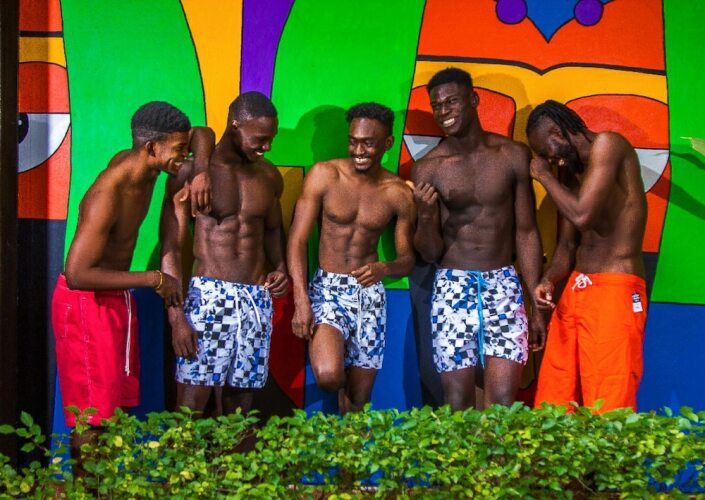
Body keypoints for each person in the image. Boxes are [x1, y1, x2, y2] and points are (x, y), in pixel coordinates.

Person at [51, 101, 191, 462]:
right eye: (180, 149)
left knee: (113, 407)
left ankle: (106, 485)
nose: (185, 157)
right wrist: (153, 278)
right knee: (91, 414)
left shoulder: (146, 167)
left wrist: (200, 171)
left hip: (115, 298)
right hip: (85, 303)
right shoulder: (108, 192)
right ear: (152, 148)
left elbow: (204, 135)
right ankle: (85, 488)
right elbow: (77, 273)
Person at [410, 67, 545, 411]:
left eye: (451, 102)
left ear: (473, 99)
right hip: (453, 285)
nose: (444, 111)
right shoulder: (429, 167)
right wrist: (425, 215)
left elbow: (527, 231)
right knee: (458, 402)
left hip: (503, 283)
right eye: (437, 105)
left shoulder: (512, 155)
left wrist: (535, 304)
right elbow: (430, 251)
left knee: (502, 403)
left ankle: (496, 452)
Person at [160, 91, 288, 416]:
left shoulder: (269, 176)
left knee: (241, 405)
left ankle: (233, 453)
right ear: (235, 125)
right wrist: (177, 318)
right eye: (260, 139)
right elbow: (171, 247)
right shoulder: (191, 173)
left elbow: (273, 230)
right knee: (191, 404)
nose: (267, 147)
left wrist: (281, 267)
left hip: (256, 298)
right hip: (209, 296)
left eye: (270, 139)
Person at [288, 102, 416, 414]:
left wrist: (384, 267)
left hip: (369, 294)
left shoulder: (398, 192)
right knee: (329, 376)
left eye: (368, 143)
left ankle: (348, 445)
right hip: (327, 289)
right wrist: (301, 299)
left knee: (359, 399)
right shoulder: (325, 175)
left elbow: (408, 260)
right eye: (353, 141)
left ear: (387, 143)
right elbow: (297, 239)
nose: (359, 150)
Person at [526, 100, 647, 413]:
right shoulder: (570, 174)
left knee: (609, 399)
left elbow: (582, 216)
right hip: (577, 288)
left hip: (615, 288)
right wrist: (548, 280)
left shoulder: (608, 145)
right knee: (555, 397)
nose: (548, 160)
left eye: (546, 151)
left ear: (558, 132)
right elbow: (567, 246)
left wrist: (544, 176)